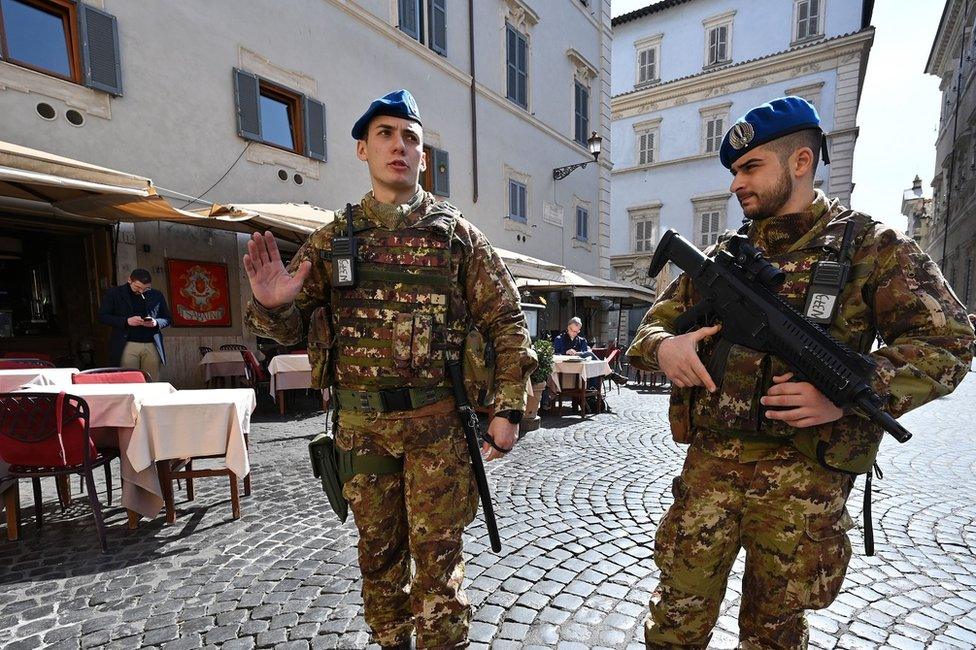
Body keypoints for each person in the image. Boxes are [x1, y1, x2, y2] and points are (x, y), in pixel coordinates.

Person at [626, 96, 975, 649]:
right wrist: (663, 348)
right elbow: (650, 330)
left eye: (750, 167)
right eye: (734, 171)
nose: (736, 184)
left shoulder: (871, 247)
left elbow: (950, 340)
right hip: (709, 472)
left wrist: (855, 390)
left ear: (800, 162)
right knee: (675, 622)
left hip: (803, 482)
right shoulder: (724, 255)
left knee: (775, 634)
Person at [242, 89, 536, 649]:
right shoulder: (334, 239)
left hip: (438, 431)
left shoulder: (456, 237)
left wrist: (508, 409)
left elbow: (506, 321)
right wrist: (275, 304)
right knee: (378, 563)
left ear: (423, 156)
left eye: (411, 138)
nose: (399, 146)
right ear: (363, 149)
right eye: (385, 134)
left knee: (439, 564)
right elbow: (291, 328)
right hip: (362, 430)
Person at [97, 268, 171, 380]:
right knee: (130, 381)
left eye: (146, 288)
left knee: (152, 382)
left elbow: (167, 319)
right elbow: (102, 317)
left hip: (152, 344)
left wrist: (155, 323)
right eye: (137, 287)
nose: (141, 291)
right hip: (127, 344)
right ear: (129, 280)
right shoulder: (114, 293)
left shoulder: (157, 295)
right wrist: (126, 321)